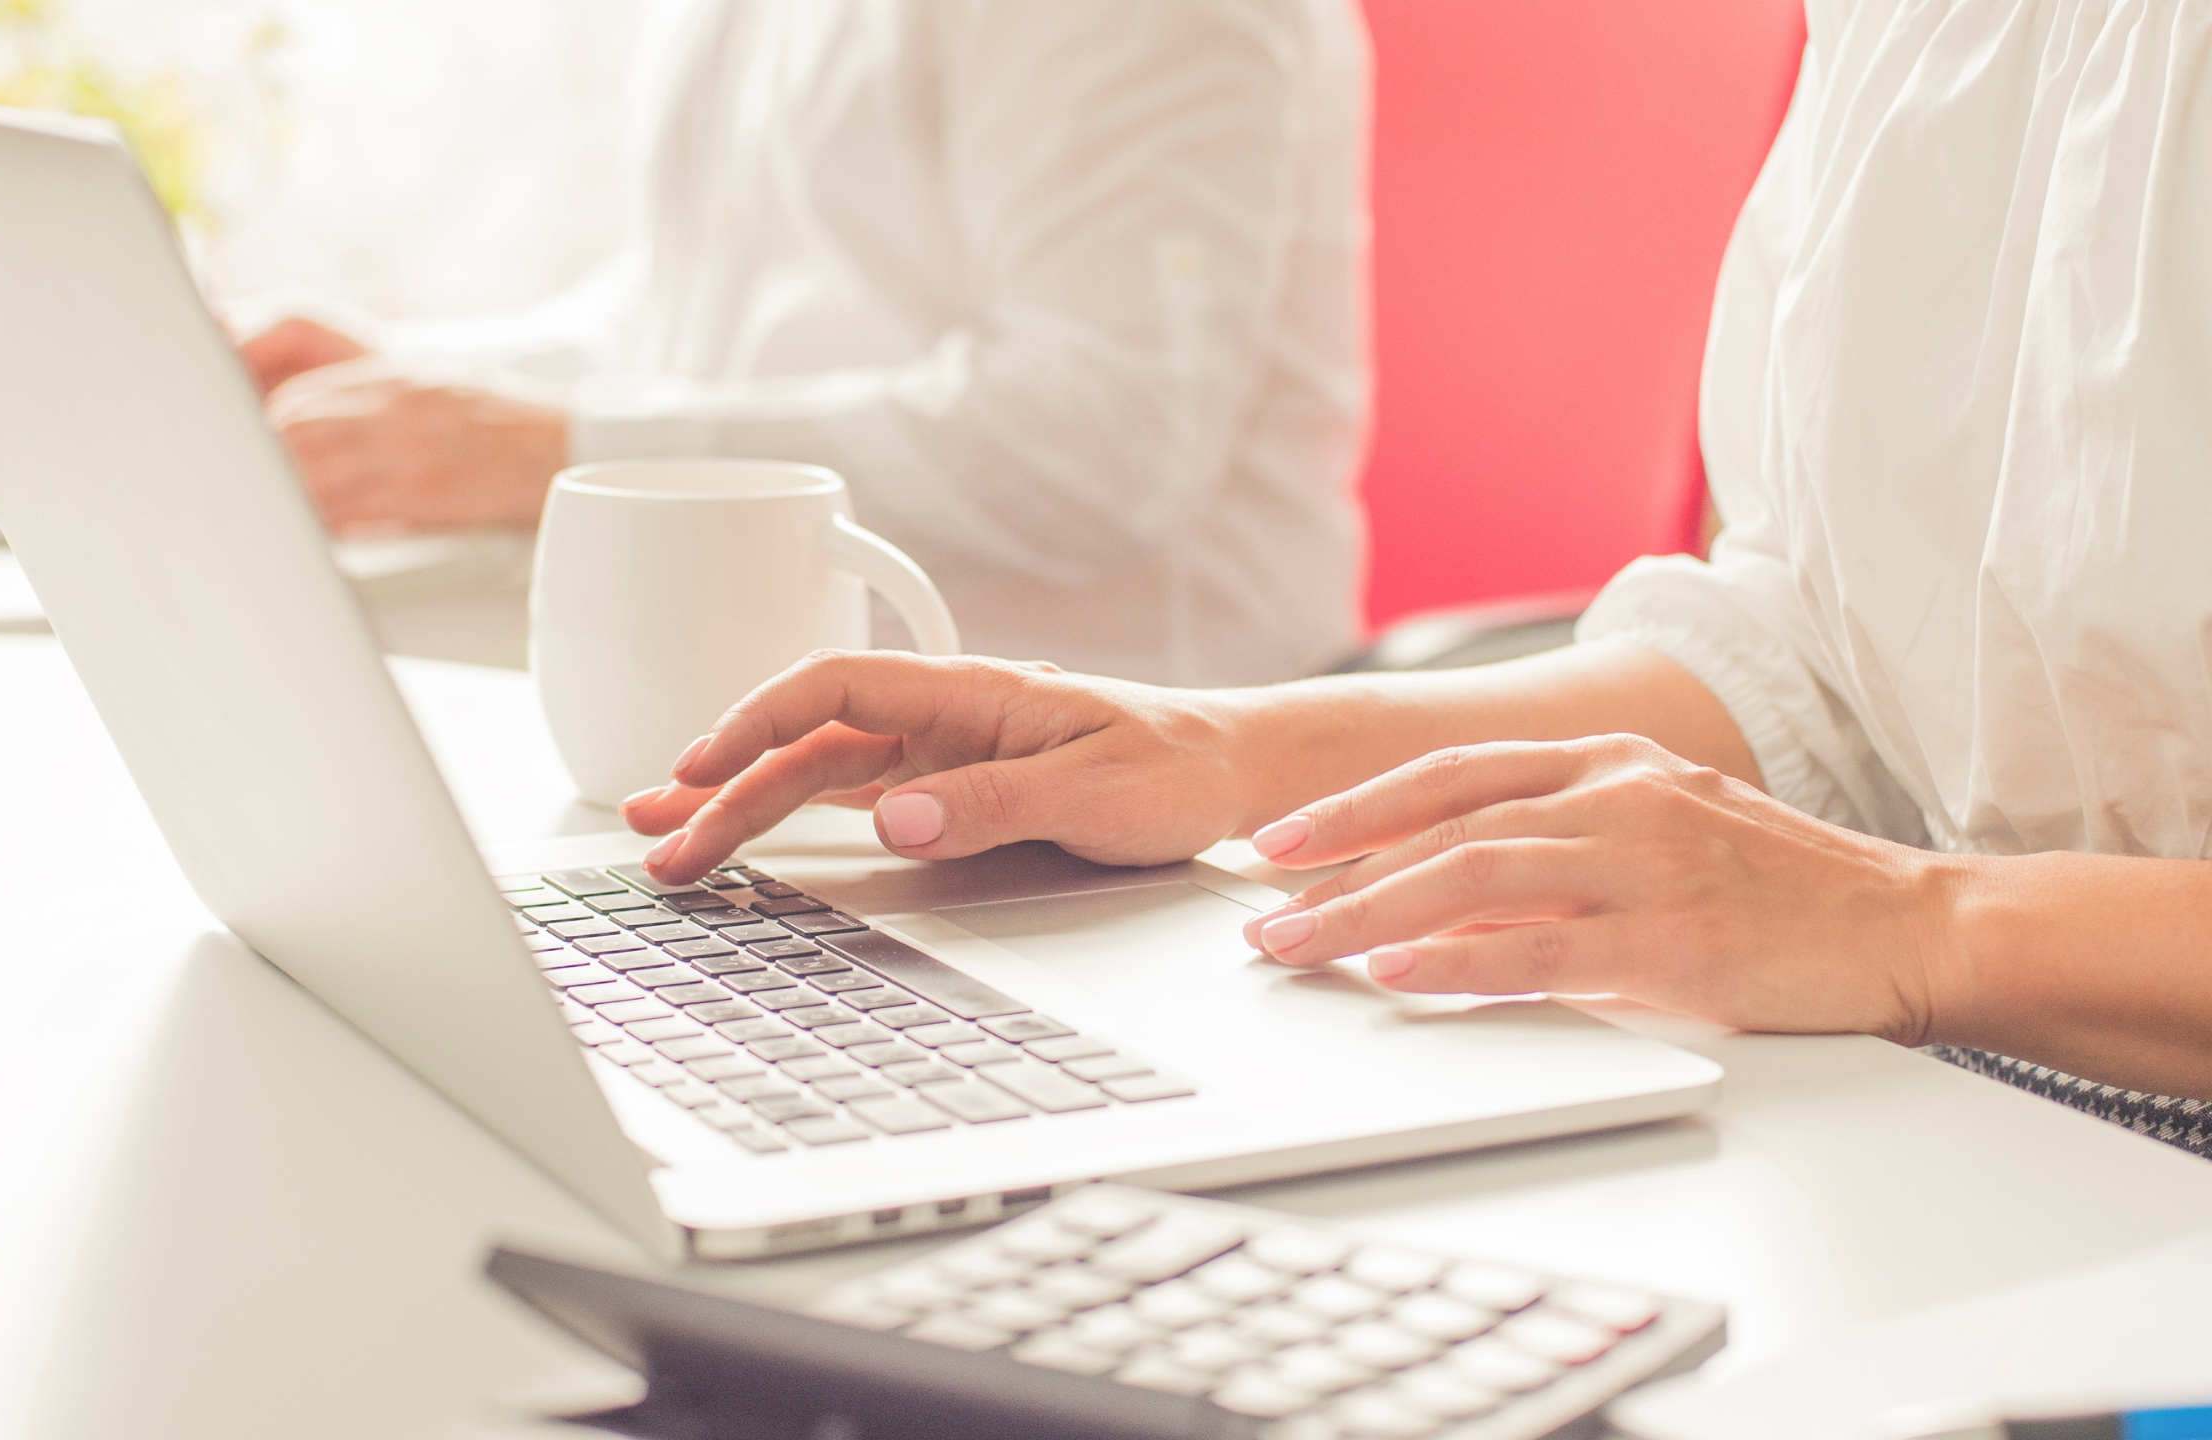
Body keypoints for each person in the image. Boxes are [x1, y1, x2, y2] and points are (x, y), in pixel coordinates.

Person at [617, 0, 2212, 1150]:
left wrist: (1918, 926)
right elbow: (1836, 672)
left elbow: (1905, 871)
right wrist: (1229, 747)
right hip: (1965, 1107)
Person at [241, 0, 1372, 686]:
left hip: (1107, 773)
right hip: (758, 691)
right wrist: (428, 396)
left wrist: (557, 448)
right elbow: (688, 311)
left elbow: (1099, 438)